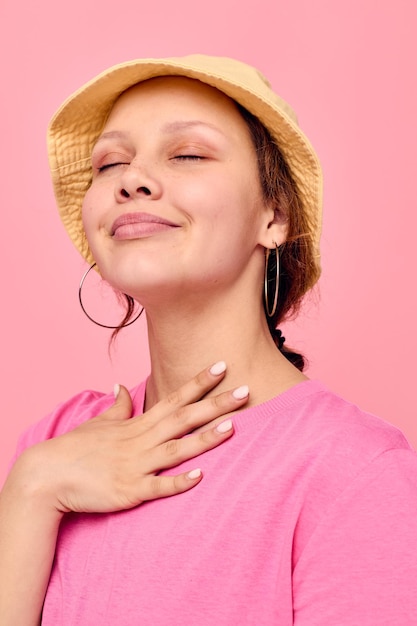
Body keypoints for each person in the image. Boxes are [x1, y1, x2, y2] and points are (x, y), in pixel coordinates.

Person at [0, 54, 416, 625]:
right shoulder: (53, 444)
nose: (131, 180)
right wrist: (31, 490)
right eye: (110, 163)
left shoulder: (354, 469)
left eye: (188, 154)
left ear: (275, 215)